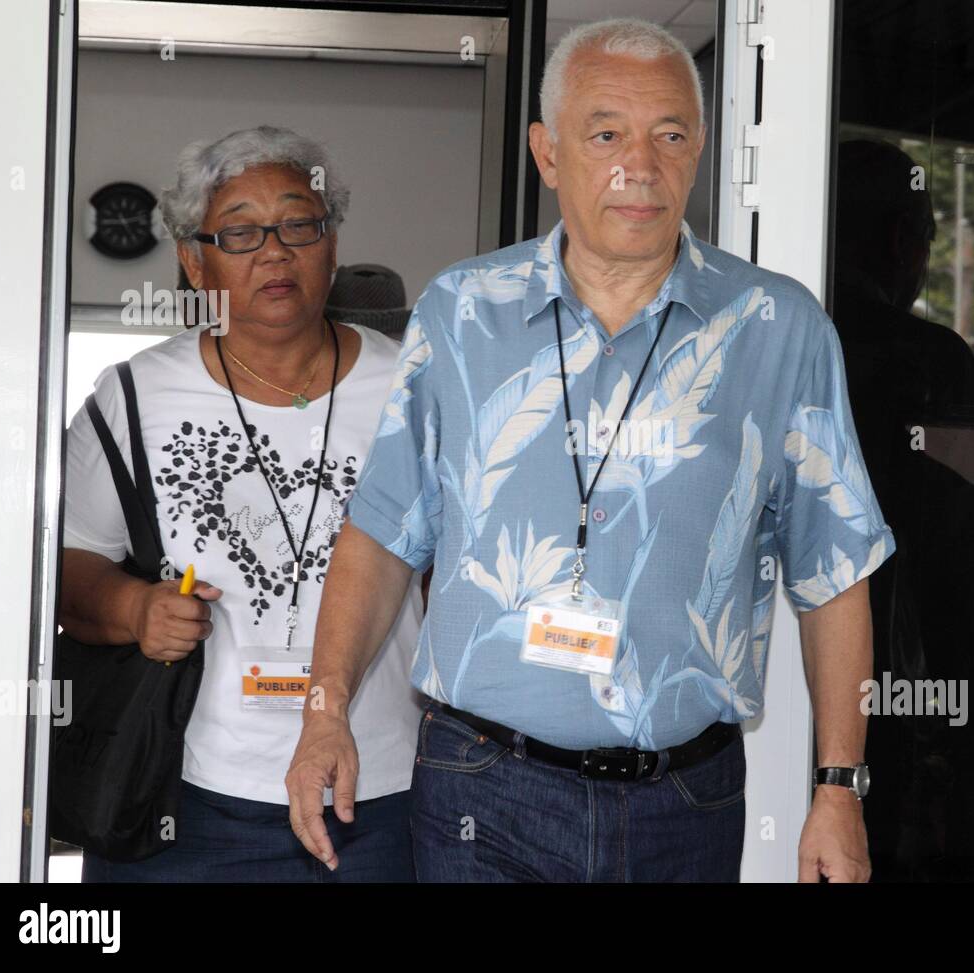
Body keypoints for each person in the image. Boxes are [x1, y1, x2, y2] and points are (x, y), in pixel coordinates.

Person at [286, 18, 895, 883]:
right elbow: (383, 537)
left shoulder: (777, 327)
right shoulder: (462, 313)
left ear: (700, 149)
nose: (638, 166)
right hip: (482, 787)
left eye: (670, 135)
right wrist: (324, 714)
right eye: (605, 133)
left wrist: (839, 788)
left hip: (686, 799)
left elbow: (835, 573)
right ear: (546, 152)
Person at [60, 125, 424, 881]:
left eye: (300, 223)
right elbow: (62, 568)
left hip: (376, 794)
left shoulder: (415, 388)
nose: (275, 251)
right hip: (181, 797)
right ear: (195, 261)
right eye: (240, 232)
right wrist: (133, 609)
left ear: (331, 243)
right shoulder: (131, 397)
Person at [831, 139, 974, 881]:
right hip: (901, 733)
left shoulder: (764, 344)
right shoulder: (933, 364)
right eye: (929, 241)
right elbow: (968, 565)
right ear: (900, 240)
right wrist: (968, 769)